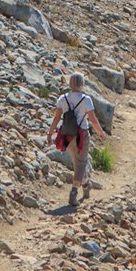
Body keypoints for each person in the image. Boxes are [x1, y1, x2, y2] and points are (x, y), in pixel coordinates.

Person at [47, 73, 108, 207]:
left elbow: (56, 118)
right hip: (82, 134)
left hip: (66, 135)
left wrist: (50, 133)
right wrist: (101, 133)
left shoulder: (62, 98)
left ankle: (86, 184)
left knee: (77, 163)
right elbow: (92, 119)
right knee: (81, 163)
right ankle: (74, 192)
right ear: (82, 84)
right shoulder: (86, 99)